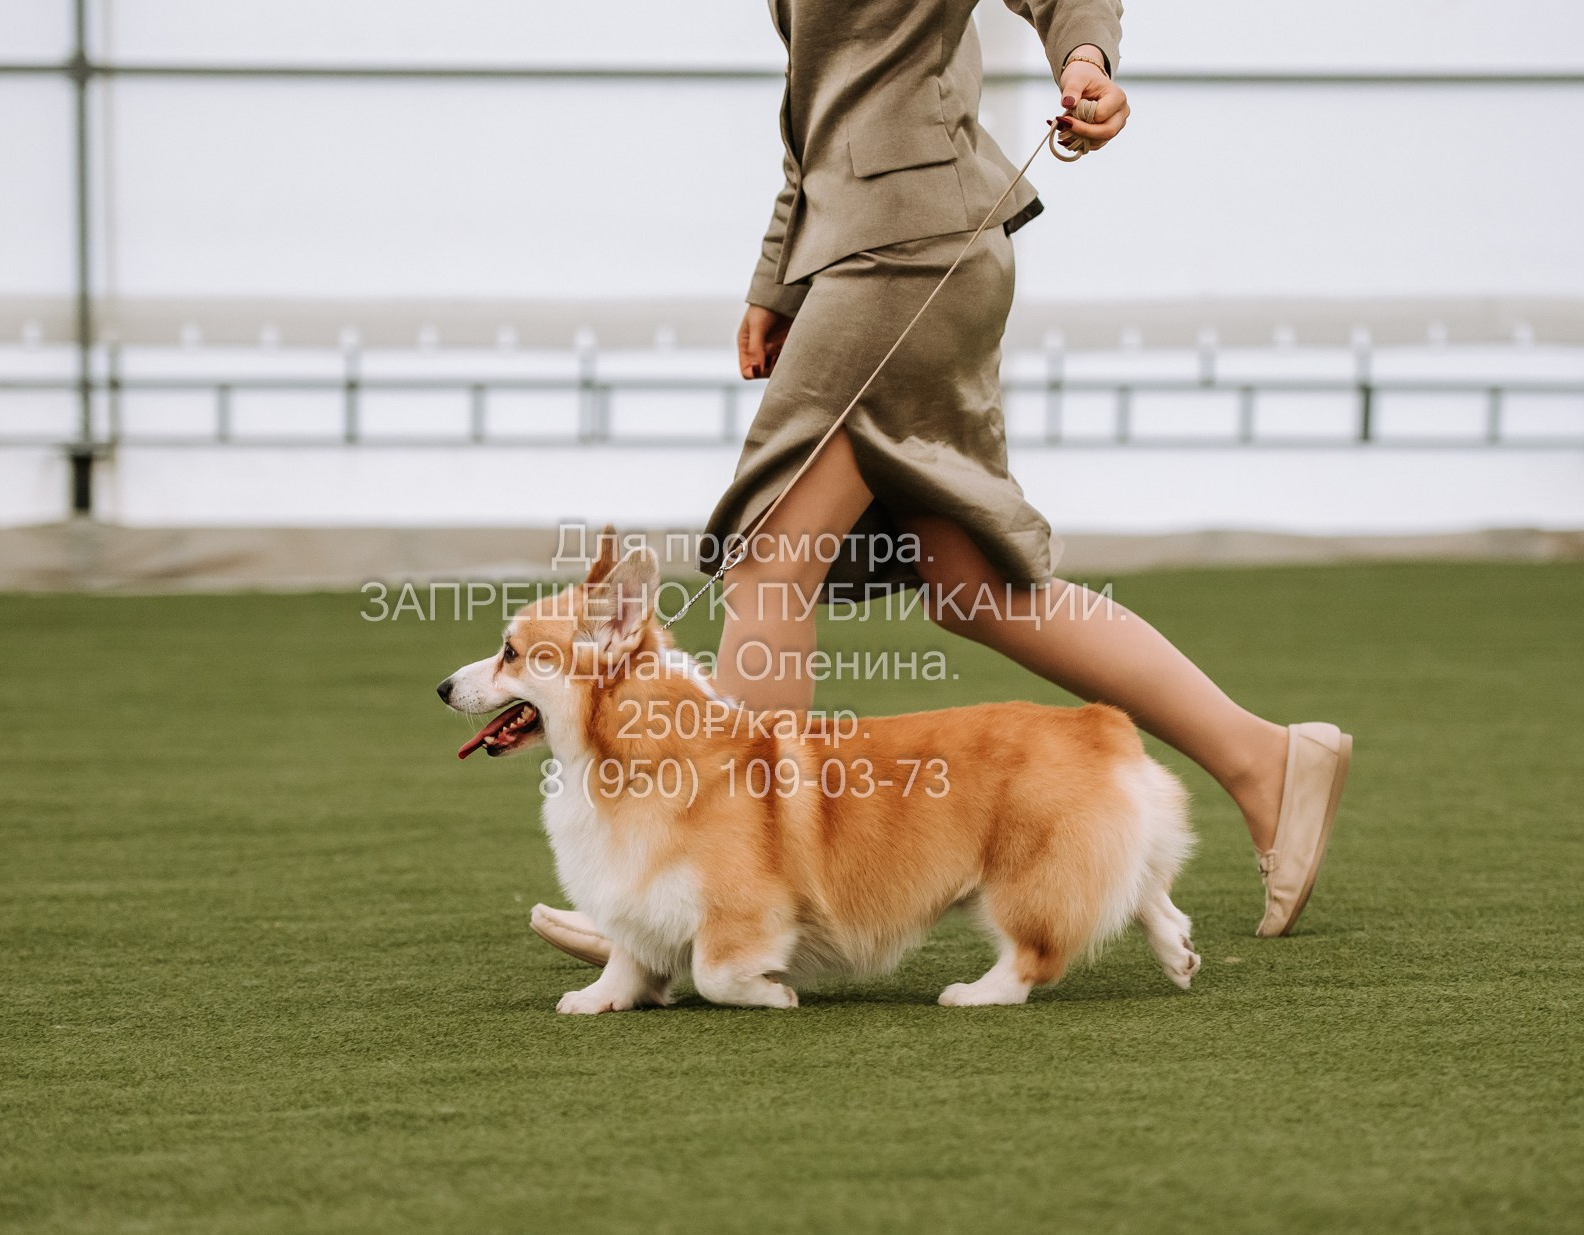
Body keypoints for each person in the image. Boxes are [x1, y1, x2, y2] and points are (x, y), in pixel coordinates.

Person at [529, 0, 1351, 967]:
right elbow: (818, 102)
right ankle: (1265, 759)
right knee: (973, 587)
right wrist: (777, 278)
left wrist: (1083, 59)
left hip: (911, 249)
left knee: (768, 560)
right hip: (867, 247)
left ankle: (727, 886)